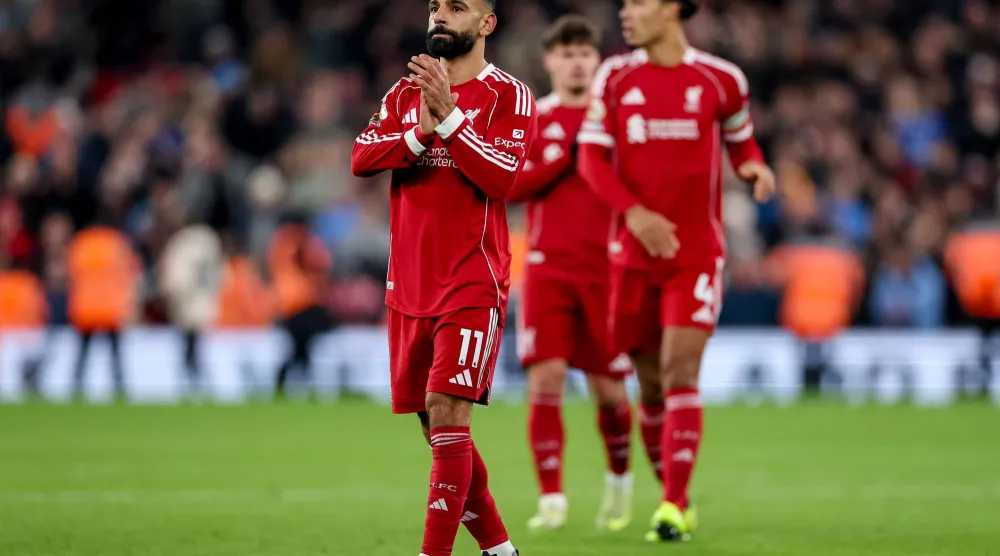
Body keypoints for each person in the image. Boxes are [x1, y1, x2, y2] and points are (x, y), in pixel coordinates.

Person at [577, 0, 776, 543]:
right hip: (632, 257)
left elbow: (741, 139)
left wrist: (753, 165)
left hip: (695, 256)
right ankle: (676, 495)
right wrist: (635, 215)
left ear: (672, 9)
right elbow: (591, 159)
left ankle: (672, 503)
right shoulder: (614, 77)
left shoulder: (720, 79)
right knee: (651, 384)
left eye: (638, 2)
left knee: (680, 369)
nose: (625, 13)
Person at [350, 0, 536, 554]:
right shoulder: (404, 93)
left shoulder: (509, 95)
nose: (440, 15)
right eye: (434, 5)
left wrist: (450, 120)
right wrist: (416, 135)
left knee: (449, 418)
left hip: (471, 283)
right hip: (407, 286)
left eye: (456, 7)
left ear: (486, 24)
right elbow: (361, 156)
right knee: (438, 430)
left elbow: (501, 179)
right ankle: (501, 550)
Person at [507, 15, 634, 533]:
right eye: (567, 53)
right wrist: (565, 161)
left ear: (597, 61)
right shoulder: (534, 118)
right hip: (546, 271)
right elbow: (509, 188)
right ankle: (552, 498)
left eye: (585, 52)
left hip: (607, 272)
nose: (577, 62)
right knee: (547, 377)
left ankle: (620, 482)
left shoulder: (618, 121)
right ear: (550, 61)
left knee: (609, 392)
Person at [159, 224, 223, 398]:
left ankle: (194, 384)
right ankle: (197, 383)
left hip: (190, 303)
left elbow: (176, 280)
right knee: (193, 346)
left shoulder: (184, 245)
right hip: (201, 302)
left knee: (191, 347)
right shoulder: (206, 242)